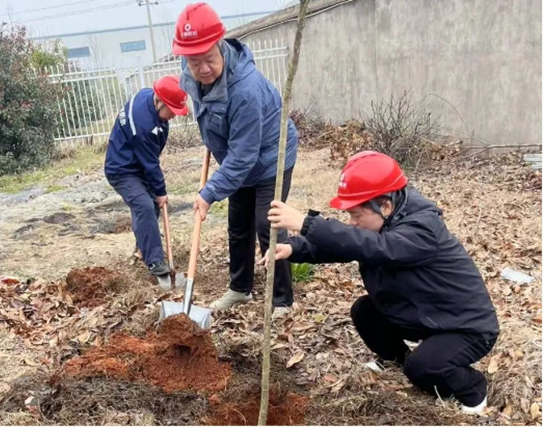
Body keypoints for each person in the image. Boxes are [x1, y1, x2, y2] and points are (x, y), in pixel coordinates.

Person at [263, 151, 499, 414]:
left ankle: (472, 389)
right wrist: (294, 248)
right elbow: (351, 244)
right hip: (429, 315)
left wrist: (308, 224)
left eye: (356, 215)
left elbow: (377, 248)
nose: (352, 222)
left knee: (422, 368)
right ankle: (396, 359)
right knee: (365, 311)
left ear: (385, 206)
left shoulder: (422, 230)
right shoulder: (381, 223)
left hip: (465, 327)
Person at [172, 2, 299, 317]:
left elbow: (245, 156)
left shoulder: (245, 89)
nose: (202, 69)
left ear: (221, 45)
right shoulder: (191, 77)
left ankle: (282, 300)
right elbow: (206, 109)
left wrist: (209, 193)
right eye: (193, 61)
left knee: (266, 224)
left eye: (209, 59)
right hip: (236, 157)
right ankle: (240, 289)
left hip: (271, 156)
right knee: (237, 226)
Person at [104, 75, 189, 279]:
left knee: (149, 207)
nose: (174, 116)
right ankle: (155, 262)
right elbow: (151, 162)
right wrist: (160, 192)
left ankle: (142, 249)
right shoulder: (142, 125)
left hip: (138, 165)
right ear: (159, 102)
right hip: (121, 170)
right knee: (144, 205)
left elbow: (149, 160)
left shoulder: (147, 97)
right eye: (172, 111)